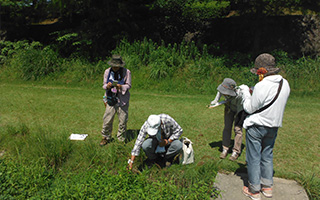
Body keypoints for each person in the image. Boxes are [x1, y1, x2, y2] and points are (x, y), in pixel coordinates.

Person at [241, 53, 290, 200]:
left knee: (254, 157)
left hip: (257, 126)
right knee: (267, 156)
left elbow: (249, 108)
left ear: (261, 71)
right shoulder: (284, 84)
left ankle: (254, 190)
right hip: (273, 126)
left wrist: (245, 93)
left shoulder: (261, 85)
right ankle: (267, 187)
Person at [210, 78, 249, 161]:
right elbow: (220, 91)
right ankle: (225, 149)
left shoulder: (241, 94)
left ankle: (236, 151)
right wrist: (216, 101)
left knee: (237, 129)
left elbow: (243, 107)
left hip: (240, 109)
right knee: (227, 127)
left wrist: (239, 117)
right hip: (229, 107)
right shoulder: (223, 87)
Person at [100, 55, 132, 145]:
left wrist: (121, 87)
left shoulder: (127, 72)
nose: (115, 67)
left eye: (117, 66)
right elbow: (103, 85)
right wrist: (108, 86)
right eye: (113, 65)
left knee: (123, 120)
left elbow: (128, 85)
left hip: (122, 99)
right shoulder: (107, 71)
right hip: (110, 98)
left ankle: (121, 139)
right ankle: (105, 137)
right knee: (107, 119)